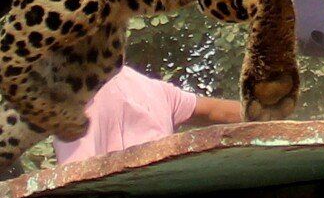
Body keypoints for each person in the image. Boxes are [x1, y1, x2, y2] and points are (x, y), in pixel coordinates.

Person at [53, 66, 242, 164]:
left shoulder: (75, 97)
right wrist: (267, 112)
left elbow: (72, 175)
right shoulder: (151, 88)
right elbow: (216, 111)